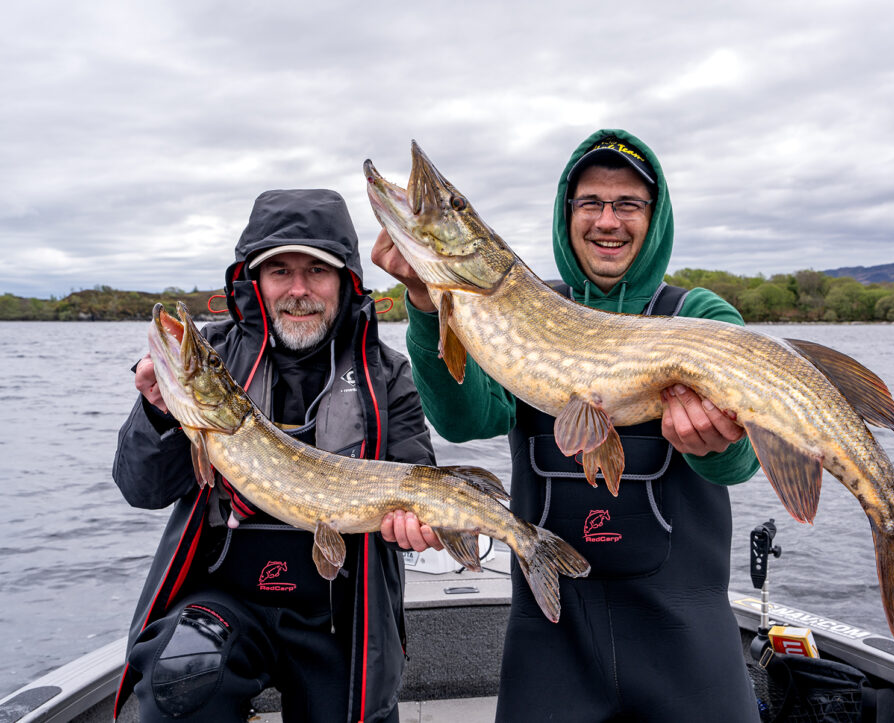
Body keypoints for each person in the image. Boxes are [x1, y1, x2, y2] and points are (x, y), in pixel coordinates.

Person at [372, 130, 763, 721]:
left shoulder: (700, 315)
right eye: (591, 204)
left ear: (653, 218)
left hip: (685, 630)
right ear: (568, 214)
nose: (608, 221)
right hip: (553, 631)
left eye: (627, 204)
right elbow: (462, 418)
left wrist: (711, 448)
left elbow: (740, 463)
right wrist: (427, 307)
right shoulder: (520, 309)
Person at [112, 189, 442, 723]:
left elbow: (414, 481)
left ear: (345, 280)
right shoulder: (216, 362)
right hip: (224, 599)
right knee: (183, 674)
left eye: (316, 270)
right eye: (279, 272)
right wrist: (157, 412)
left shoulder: (388, 374)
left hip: (340, 607)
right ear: (254, 282)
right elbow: (141, 489)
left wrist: (418, 526)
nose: (298, 290)